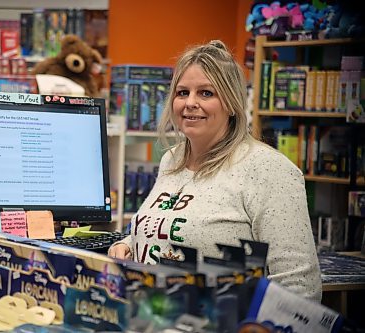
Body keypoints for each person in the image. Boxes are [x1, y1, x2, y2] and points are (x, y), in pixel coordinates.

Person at [108, 40, 322, 302]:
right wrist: (128, 244)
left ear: (231, 103)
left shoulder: (268, 169)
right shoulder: (172, 159)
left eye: (206, 93)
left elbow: (299, 286)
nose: (190, 103)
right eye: (182, 92)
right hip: (156, 318)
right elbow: (172, 225)